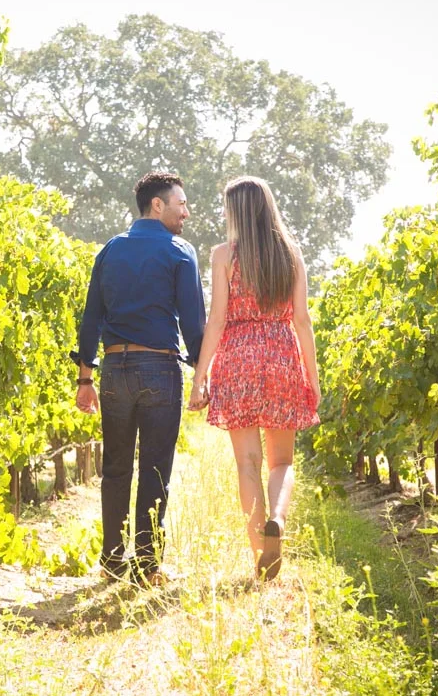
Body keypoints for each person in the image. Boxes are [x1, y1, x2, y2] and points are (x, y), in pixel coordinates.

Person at [72, 172, 206, 586]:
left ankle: (112, 560)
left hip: (114, 371)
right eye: (180, 203)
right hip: (160, 371)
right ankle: (147, 565)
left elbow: (91, 315)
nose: (187, 212)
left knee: (114, 467)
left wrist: (85, 378)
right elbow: (194, 322)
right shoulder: (180, 251)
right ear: (157, 205)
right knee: (155, 469)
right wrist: (202, 374)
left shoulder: (110, 251)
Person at [188, 176, 321, 582]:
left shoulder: (224, 255)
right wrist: (312, 378)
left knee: (247, 462)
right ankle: (277, 519)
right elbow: (302, 320)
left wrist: (200, 376)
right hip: (282, 355)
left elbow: (217, 319)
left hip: (238, 357)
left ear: (235, 212)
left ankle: (259, 554)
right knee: (282, 461)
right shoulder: (291, 254)